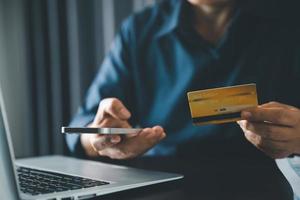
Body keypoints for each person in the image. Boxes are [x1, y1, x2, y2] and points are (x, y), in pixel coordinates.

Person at [66, 0, 300, 197]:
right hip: (160, 186)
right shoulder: (139, 30)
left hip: (264, 186)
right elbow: (84, 130)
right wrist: (106, 139)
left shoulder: (292, 21)